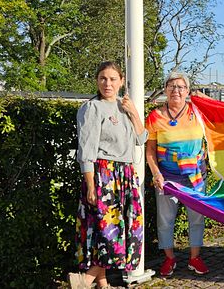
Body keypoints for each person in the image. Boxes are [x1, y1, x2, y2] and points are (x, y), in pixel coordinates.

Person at [70, 61, 147, 289]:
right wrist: (91, 185)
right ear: (97, 80)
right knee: (108, 232)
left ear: (121, 81)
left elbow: (140, 140)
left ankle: (102, 283)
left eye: (113, 79)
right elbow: (86, 150)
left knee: (123, 229)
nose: (108, 83)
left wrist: (133, 113)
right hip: (104, 176)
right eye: (103, 78)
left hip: (125, 174)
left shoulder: (124, 107)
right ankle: (84, 280)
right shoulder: (92, 108)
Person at [145, 72, 211, 277]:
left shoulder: (198, 111)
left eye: (181, 87)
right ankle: (169, 258)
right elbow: (150, 151)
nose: (176, 90)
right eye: (172, 86)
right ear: (165, 89)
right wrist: (156, 173)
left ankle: (194, 258)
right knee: (165, 219)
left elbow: (220, 112)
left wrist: (202, 97)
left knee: (197, 218)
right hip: (167, 177)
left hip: (196, 176)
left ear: (187, 92)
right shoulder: (155, 116)